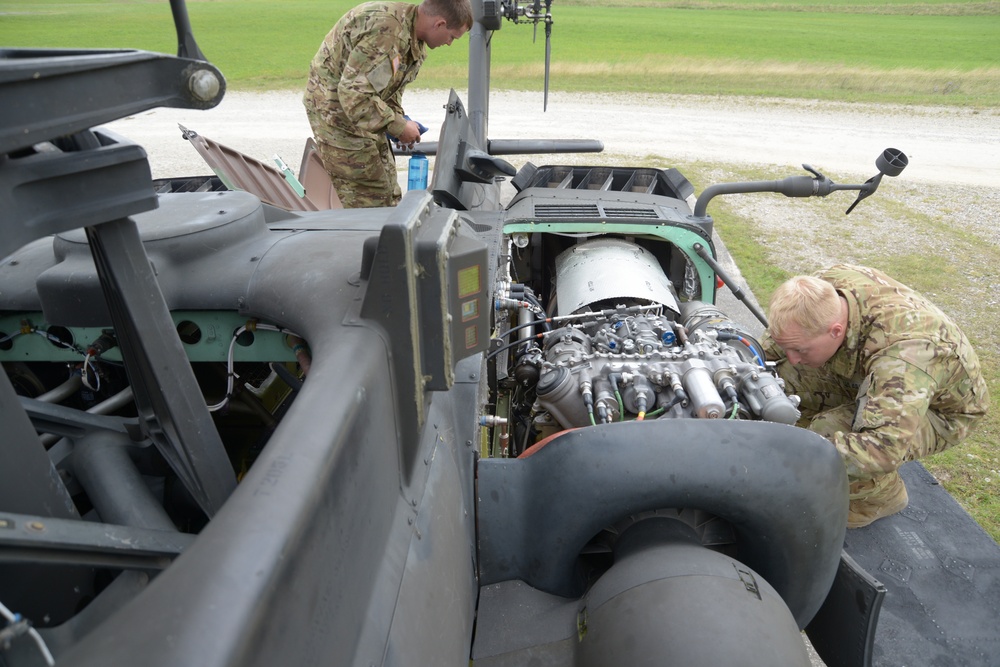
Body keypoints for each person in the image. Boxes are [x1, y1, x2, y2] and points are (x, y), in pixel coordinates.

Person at [762, 264, 989, 529]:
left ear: (835, 331)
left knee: (828, 434)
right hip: (876, 374)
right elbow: (783, 341)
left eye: (800, 349)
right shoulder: (822, 291)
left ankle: (879, 498)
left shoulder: (903, 357)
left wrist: (794, 458)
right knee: (781, 378)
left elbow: (882, 449)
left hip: (940, 411)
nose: (793, 356)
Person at [302, 0, 473, 208]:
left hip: (360, 108)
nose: (449, 43)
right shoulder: (387, 32)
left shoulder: (413, 39)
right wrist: (398, 126)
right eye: (452, 37)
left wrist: (400, 122)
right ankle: (365, 237)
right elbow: (353, 96)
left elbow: (387, 90)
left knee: (388, 186)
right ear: (439, 24)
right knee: (368, 192)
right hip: (334, 111)